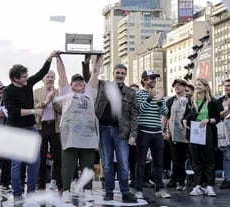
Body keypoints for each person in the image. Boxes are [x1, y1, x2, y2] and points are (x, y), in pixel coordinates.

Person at [3, 50, 58, 200]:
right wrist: (35, 110)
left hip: (31, 128)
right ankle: (17, 193)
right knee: (17, 163)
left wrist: (49, 58)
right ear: (15, 78)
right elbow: (13, 112)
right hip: (16, 130)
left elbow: (41, 73)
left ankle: (31, 191)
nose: (27, 79)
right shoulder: (8, 91)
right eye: (24, 77)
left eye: (27, 75)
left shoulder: (28, 84)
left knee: (35, 161)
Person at [56, 54, 101, 199]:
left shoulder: (90, 93)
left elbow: (95, 74)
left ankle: (87, 189)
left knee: (87, 165)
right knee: (68, 164)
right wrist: (58, 58)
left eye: (81, 82)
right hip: (70, 135)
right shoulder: (66, 93)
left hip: (88, 135)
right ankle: (66, 189)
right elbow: (61, 75)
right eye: (76, 82)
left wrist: (99, 59)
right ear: (71, 85)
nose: (79, 83)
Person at [94, 63, 138, 203]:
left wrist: (133, 134)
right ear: (113, 73)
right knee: (106, 163)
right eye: (117, 73)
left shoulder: (130, 93)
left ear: (125, 75)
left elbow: (134, 115)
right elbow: (92, 76)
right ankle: (109, 192)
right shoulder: (103, 86)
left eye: (122, 73)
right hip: (103, 129)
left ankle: (125, 193)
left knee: (123, 163)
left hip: (122, 132)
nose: (120, 75)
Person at [134, 70, 171, 199]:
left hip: (157, 131)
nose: (153, 81)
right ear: (144, 80)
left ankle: (160, 188)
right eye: (151, 78)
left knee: (158, 163)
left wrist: (159, 100)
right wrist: (150, 98)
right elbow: (139, 111)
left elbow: (165, 111)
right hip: (143, 130)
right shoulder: (138, 94)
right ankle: (138, 189)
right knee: (140, 162)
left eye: (155, 79)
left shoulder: (159, 94)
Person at [183, 78, 219, 197]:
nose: (197, 86)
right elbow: (185, 116)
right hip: (194, 130)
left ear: (206, 86)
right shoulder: (191, 101)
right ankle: (197, 185)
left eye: (199, 85)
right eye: (196, 85)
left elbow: (217, 119)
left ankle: (209, 185)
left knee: (209, 159)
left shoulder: (212, 101)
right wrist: (184, 121)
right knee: (196, 159)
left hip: (207, 130)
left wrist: (208, 120)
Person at [33, 70, 62, 191]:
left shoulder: (59, 92)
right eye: (47, 76)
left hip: (55, 127)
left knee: (58, 157)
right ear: (42, 79)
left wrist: (54, 100)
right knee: (41, 156)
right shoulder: (36, 92)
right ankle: (41, 185)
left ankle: (58, 182)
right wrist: (46, 102)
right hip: (41, 126)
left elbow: (62, 109)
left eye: (52, 77)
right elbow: (34, 108)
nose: (50, 79)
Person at [163, 79, 190, 191]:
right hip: (174, 133)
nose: (177, 87)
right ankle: (177, 179)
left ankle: (185, 179)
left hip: (188, 133)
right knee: (176, 158)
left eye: (179, 85)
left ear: (185, 87)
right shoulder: (170, 101)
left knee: (186, 157)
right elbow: (165, 116)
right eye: (175, 86)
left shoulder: (190, 99)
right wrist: (163, 130)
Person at [217, 79, 230, 189]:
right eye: (225, 86)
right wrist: (228, 109)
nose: (226, 87)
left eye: (229, 86)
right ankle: (227, 179)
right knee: (227, 157)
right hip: (226, 132)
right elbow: (218, 116)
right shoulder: (220, 100)